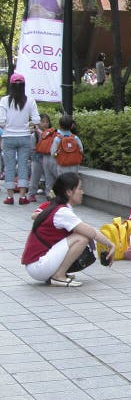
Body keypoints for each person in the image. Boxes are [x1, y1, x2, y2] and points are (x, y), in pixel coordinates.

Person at [21, 173, 116, 287]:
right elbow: (91, 232)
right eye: (80, 188)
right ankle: (59, 276)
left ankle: (58, 274)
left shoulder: (57, 207)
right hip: (38, 265)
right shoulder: (62, 212)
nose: (82, 192)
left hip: (36, 264)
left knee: (80, 234)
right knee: (81, 238)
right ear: (69, 192)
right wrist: (111, 245)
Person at [0, 73, 41, 205]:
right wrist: (26, 125)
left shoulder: (4, 100)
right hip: (24, 137)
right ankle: (23, 197)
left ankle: (10, 197)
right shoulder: (30, 100)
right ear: (24, 86)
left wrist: (9, 126)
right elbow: (36, 120)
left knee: (9, 166)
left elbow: (1, 121)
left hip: (8, 137)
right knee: (23, 166)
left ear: (11, 86)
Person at [29, 113, 52, 202]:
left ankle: (50, 195)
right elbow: (32, 148)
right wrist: (33, 157)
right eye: (43, 122)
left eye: (47, 122)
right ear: (38, 123)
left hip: (48, 158)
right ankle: (31, 194)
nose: (45, 124)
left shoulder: (51, 133)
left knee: (49, 178)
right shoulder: (35, 135)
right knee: (35, 177)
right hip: (37, 159)